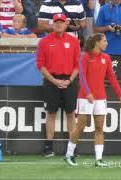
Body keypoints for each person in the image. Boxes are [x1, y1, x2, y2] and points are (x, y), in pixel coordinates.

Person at [65, 33, 121, 167]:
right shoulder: (85, 57)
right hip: (85, 97)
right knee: (80, 126)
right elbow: (81, 76)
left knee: (99, 128)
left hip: (101, 98)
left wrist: (120, 95)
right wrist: (88, 93)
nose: (106, 43)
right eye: (104, 41)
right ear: (97, 42)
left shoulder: (106, 58)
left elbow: (112, 78)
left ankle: (98, 159)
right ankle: (69, 154)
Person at [36, 13, 80, 157]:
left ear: (66, 24)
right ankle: (48, 146)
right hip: (51, 80)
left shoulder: (74, 41)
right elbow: (41, 65)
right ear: (53, 24)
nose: (59, 24)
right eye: (56, 22)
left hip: (70, 80)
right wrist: (54, 80)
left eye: (61, 22)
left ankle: (72, 148)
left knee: (71, 114)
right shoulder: (44, 42)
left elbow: (77, 65)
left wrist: (70, 80)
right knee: (51, 113)